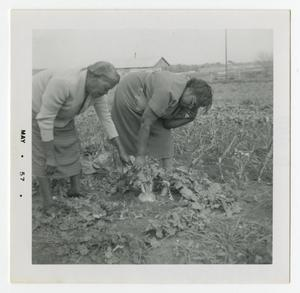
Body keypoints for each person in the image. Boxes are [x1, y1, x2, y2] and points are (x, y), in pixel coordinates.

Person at [32, 61, 129, 211]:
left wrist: (121, 150)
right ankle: (48, 202)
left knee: (72, 146)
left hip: (63, 116)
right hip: (38, 112)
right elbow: (45, 118)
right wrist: (51, 156)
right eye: (106, 88)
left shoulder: (96, 91)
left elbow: (106, 118)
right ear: (94, 77)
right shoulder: (64, 82)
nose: (107, 92)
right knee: (43, 156)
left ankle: (75, 190)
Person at [111, 70, 213, 170]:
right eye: (193, 102)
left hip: (148, 97)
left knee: (164, 139)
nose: (191, 107)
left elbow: (166, 124)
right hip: (131, 92)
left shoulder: (184, 97)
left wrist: (189, 119)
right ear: (190, 90)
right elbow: (145, 124)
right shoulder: (167, 92)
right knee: (133, 138)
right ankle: (124, 172)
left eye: (195, 106)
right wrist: (140, 156)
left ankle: (167, 177)